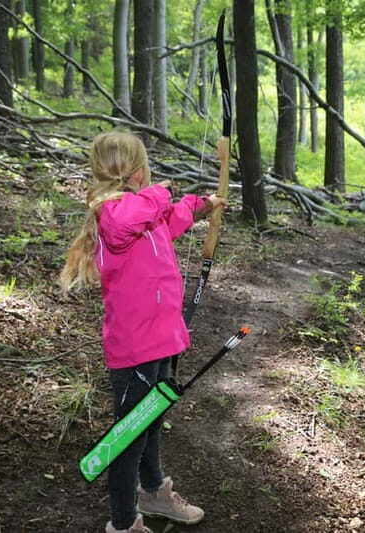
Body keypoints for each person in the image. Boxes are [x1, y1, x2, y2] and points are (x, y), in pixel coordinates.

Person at [59, 130, 227, 533]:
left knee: (151, 419)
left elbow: (168, 222)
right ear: (135, 172)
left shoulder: (144, 217)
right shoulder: (112, 214)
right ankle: (123, 522)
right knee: (128, 435)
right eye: (144, 170)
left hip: (161, 338)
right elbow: (132, 218)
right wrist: (159, 193)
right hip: (135, 346)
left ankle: (152, 491)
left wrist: (199, 206)